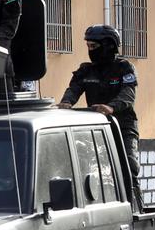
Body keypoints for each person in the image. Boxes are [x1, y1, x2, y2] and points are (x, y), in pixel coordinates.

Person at [60, 25, 142, 204]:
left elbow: (128, 94)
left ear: (109, 46)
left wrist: (111, 107)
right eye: (88, 46)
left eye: (94, 47)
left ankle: (135, 207)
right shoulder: (85, 70)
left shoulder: (124, 68)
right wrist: (66, 102)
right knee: (83, 168)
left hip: (123, 126)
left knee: (128, 165)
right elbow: (74, 89)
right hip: (96, 129)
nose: (90, 51)